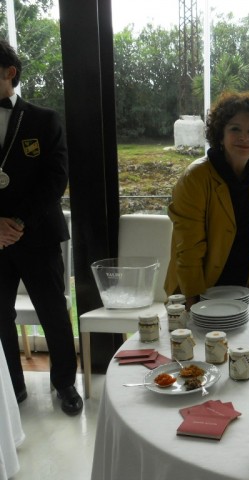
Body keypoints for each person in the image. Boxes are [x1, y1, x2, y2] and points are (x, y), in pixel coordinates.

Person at [0, 41, 83, 415]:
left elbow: (55, 179)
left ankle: (65, 383)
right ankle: (13, 389)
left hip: (38, 235)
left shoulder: (44, 120)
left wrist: (18, 222)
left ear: (10, 72)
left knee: (53, 311)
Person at [164, 91, 249, 310]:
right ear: (220, 134)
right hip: (201, 292)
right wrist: (193, 299)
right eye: (235, 129)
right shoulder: (195, 177)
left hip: (247, 292)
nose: (244, 137)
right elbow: (188, 246)